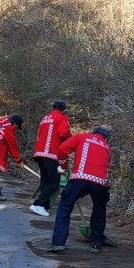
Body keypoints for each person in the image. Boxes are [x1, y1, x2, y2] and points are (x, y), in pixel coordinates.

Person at [48, 126, 111, 254]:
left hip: (79, 178)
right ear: (106, 138)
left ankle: (58, 243)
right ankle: (96, 243)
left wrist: (63, 167)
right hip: (100, 182)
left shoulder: (81, 137)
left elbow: (62, 149)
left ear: (92, 132)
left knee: (65, 207)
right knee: (99, 209)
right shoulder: (106, 147)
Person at [29, 99, 71, 218]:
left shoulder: (45, 118)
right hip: (52, 154)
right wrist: (71, 142)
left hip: (39, 153)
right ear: (63, 108)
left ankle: (44, 206)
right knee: (53, 183)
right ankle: (38, 204)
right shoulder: (61, 118)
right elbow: (64, 134)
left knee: (45, 181)